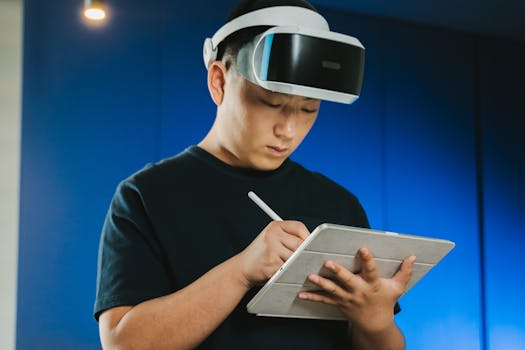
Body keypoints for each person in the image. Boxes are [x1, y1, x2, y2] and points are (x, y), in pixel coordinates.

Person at [94, 0, 416, 349]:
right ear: (218, 81)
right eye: (271, 103)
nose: (289, 130)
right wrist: (241, 271)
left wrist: (375, 320)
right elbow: (122, 344)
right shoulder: (147, 195)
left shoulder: (340, 205)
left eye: (309, 109)